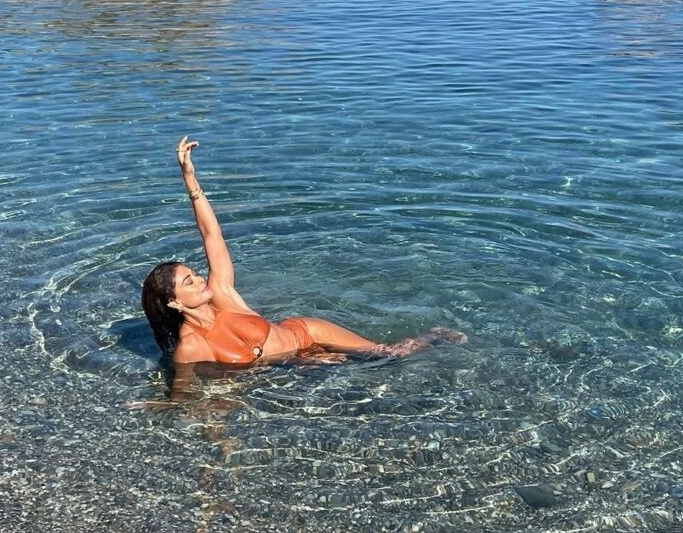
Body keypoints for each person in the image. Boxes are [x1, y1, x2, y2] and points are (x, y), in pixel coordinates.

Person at [142, 137, 467, 368]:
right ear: (173, 302)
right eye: (189, 282)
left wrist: (190, 178)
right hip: (292, 361)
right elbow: (188, 392)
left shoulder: (223, 295)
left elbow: (211, 234)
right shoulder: (192, 347)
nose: (200, 280)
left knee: (387, 356)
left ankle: (434, 335)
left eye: (195, 274)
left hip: (305, 333)